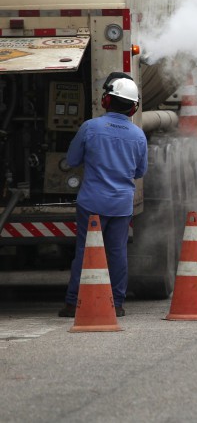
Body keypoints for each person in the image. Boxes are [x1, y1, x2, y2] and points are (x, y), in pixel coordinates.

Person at [58, 72, 148, 318]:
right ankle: (116, 303)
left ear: (106, 101)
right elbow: (140, 171)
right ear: (133, 108)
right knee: (117, 253)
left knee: (85, 251)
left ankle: (72, 302)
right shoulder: (138, 135)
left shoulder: (90, 128)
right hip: (121, 204)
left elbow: (73, 159)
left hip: (92, 203)